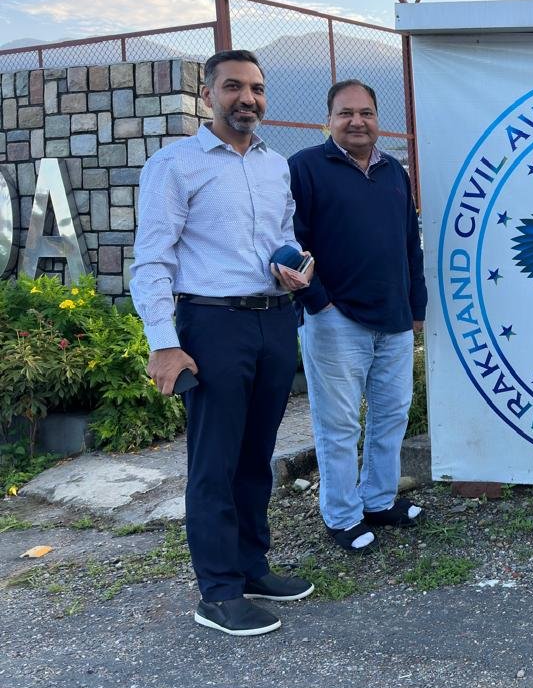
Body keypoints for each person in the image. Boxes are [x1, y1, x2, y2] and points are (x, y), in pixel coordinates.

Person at [132, 49, 316, 637]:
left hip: (272, 318)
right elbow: (152, 261)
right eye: (234, 87)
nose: (248, 99)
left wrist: (293, 267)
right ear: (209, 94)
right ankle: (217, 592)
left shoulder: (274, 165)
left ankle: (251, 567)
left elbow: (282, 236)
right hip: (211, 326)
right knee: (213, 462)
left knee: (256, 456)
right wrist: (164, 343)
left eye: (257, 88)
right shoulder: (175, 164)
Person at [289, 80, 427, 553]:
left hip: (394, 318)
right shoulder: (305, 167)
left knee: (390, 416)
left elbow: (410, 241)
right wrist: (318, 304)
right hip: (335, 320)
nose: (357, 122)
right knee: (340, 425)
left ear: (377, 119)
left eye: (366, 113)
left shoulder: (394, 172)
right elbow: (291, 242)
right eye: (346, 113)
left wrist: (416, 307)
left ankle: (379, 501)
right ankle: (342, 516)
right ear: (328, 119)